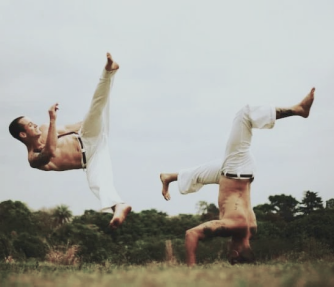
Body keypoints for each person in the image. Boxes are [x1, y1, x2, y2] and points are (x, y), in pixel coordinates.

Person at [160, 88, 315, 266]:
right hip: (237, 168)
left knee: (201, 174)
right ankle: (298, 110)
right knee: (245, 114)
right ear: (234, 252)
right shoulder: (236, 225)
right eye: (230, 254)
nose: (227, 249)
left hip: (235, 174)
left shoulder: (252, 228)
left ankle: (169, 177)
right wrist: (191, 268)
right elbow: (191, 234)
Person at [9, 53, 131, 229]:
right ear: (23, 135)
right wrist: (52, 120)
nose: (35, 125)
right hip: (90, 159)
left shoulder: (45, 129)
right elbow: (49, 152)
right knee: (97, 183)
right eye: (30, 125)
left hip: (88, 137)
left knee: (96, 107)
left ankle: (108, 71)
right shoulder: (33, 159)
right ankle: (119, 206)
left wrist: (95, 122)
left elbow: (73, 127)